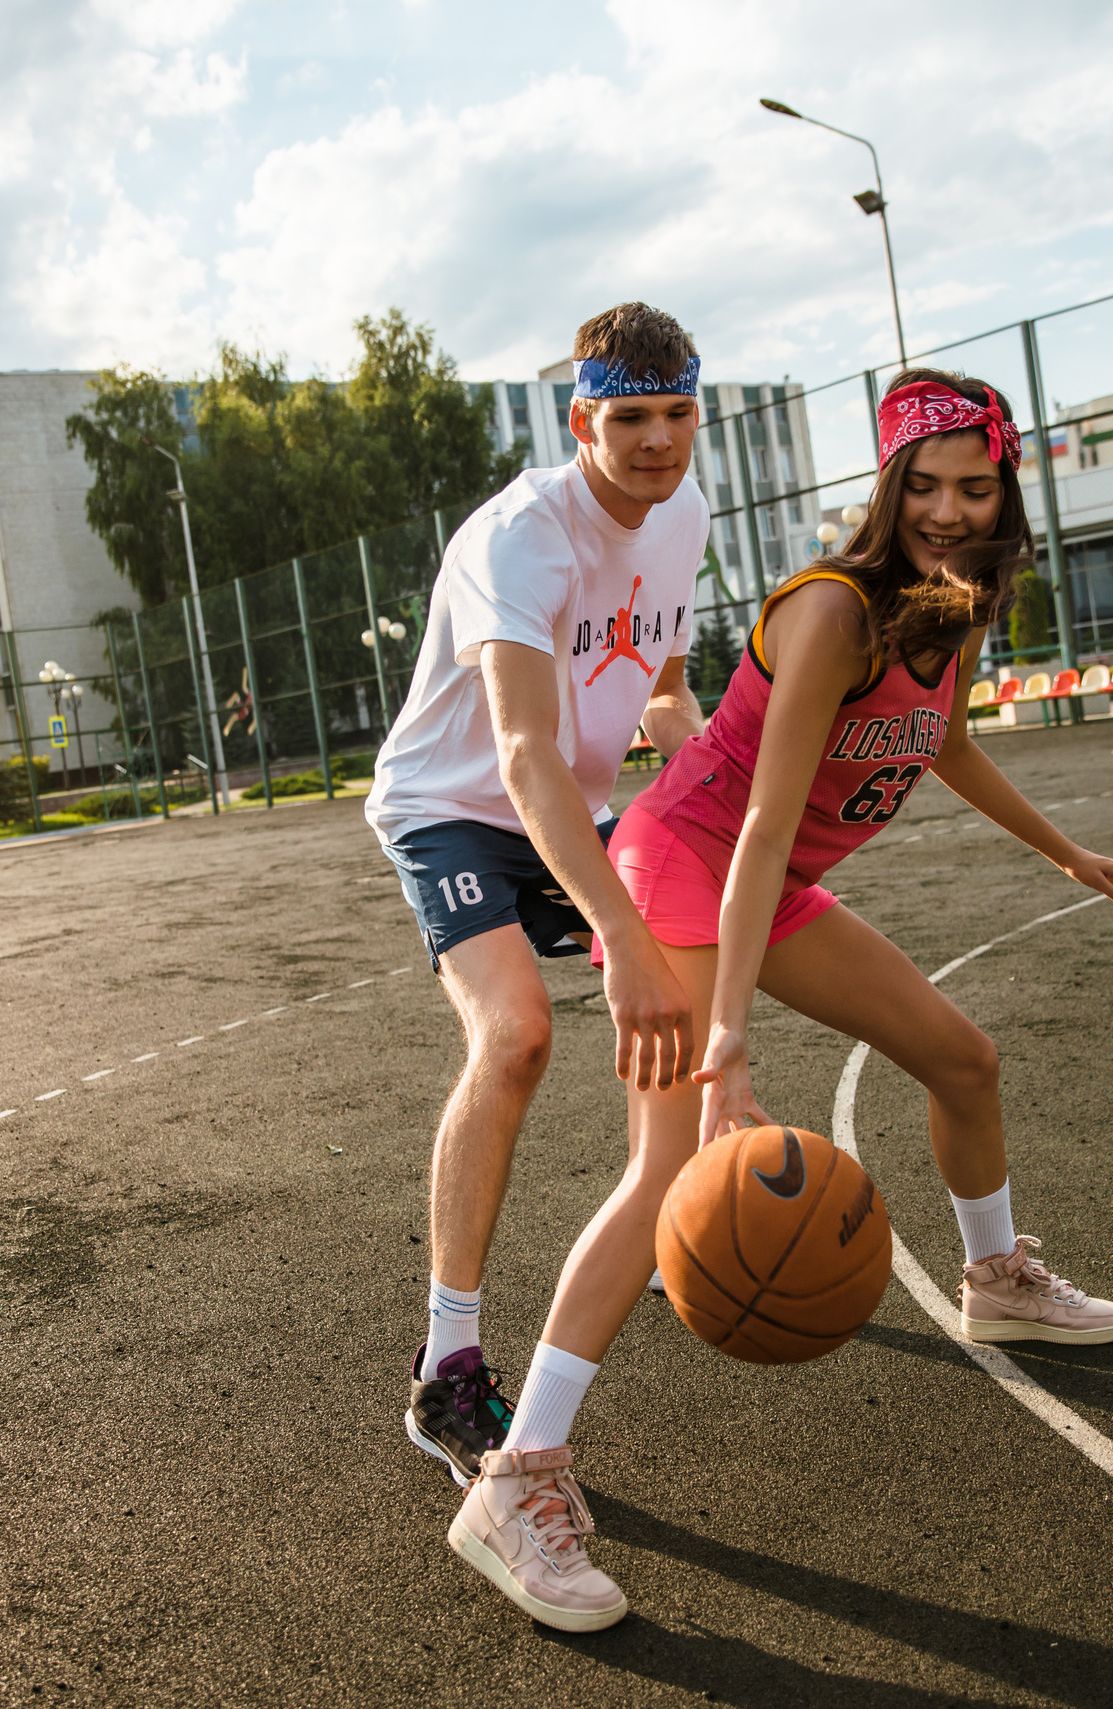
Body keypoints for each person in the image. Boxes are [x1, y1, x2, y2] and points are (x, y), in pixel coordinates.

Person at [445, 370, 1113, 1633]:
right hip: (685, 861)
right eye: (923, 487)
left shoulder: (952, 609)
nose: (945, 510)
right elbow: (765, 824)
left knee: (963, 1058)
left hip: (759, 886)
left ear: (1003, 496)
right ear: (888, 493)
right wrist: (723, 1031)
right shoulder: (834, 609)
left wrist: (1066, 853)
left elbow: (944, 743)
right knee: (667, 1160)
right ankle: (516, 1475)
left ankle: (995, 1277)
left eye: (972, 486)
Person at [365, 303, 711, 1491]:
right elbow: (520, 751)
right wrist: (617, 929)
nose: (658, 441)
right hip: (457, 802)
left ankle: (670, 1215)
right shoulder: (522, 536)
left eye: (676, 414)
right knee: (515, 1034)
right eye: (630, 419)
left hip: (573, 798)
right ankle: (447, 1365)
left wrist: (710, 766)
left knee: (698, 948)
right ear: (582, 420)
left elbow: (661, 695)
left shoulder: (685, 517)